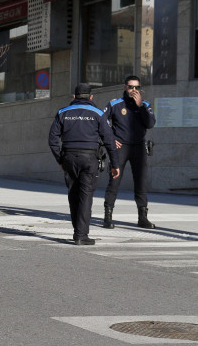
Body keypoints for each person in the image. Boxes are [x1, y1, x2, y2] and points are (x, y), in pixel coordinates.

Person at [49, 83, 120, 246]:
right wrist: (115, 164)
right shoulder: (98, 113)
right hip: (89, 158)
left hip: (69, 157)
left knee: (73, 194)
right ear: (91, 97)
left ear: (74, 97)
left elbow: (52, 140)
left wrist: (60, 159)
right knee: (85, 195)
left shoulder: (62, 112)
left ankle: (77, 230)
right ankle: (81, 235)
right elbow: (109, 140)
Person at [102, 75, 157, 229]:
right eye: (131, 87)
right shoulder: (115, 104)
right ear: (125, 87)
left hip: (139, 147)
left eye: (137, 87)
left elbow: (151, 123)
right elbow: (102, 123)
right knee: (114, 180)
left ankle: (142, 217)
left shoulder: (145, 105)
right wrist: (111, 138)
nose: (134, 90)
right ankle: (108, 216)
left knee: (141, 182)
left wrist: (140, 106)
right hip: (121, 147)